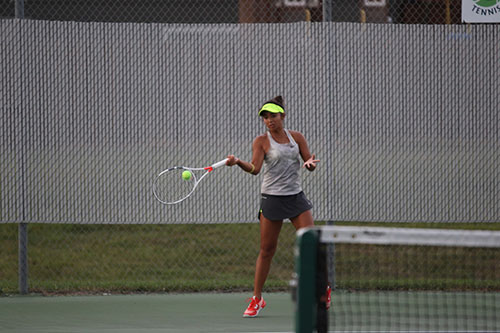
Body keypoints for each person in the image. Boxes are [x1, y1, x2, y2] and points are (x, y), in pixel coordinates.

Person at [226, 95, 320, 318]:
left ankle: (320, 291)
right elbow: (255, 169)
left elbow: (310, 163)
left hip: (296, 198)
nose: (269, 120)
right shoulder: (261, 141)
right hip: (272, 199)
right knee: (267, 250)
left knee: (313, 244)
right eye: (265, 117)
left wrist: (309, 165)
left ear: (283, 116)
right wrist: (239, 162)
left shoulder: (297, 137)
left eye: (273, 116)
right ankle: (257, 299)